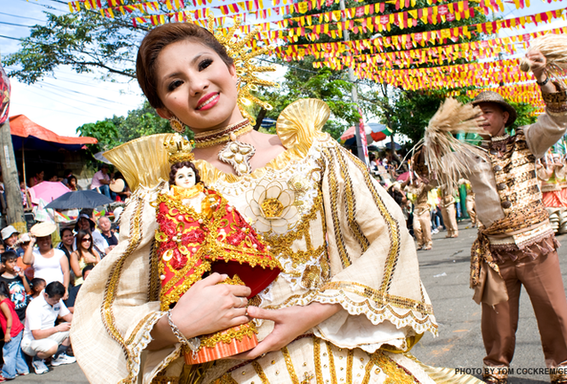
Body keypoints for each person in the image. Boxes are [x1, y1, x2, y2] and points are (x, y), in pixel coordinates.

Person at [70, 22, 480, 384]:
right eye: (174, 83)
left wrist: (313, 311)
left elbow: (388, 237)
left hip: (342, 357)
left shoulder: (314, 152)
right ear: (162, 108)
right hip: (226, 369)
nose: (197, 85)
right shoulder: (159, 193)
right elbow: (111, 310)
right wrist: (176, 324)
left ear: (231, 69)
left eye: (204, 65)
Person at [416, 51, 567, 384]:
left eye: (487, 112)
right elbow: (431, 172)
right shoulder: (468, 154)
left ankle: (563, 370)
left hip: (536, 245)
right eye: (476, 115)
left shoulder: (529, 140)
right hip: (496, 251)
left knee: (554, 312)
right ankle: (496, 370)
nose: (482, 118)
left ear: (505, 116)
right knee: (497, 320)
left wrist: (543, 78)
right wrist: (431, 140)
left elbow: (559, 118)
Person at [21, 281, 75, 375]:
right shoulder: (35, 306)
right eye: (55, 300)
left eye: (58, 300)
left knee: (73, 328)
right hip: (32, 341)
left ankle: (58, 357)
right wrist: (57, 329)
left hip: (49, 336)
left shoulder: (56, 300)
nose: (57, 302)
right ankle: (37, 360)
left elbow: (68, 317)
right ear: (46, 295)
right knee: (52, 346)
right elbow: (36, 334)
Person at [22, 223, 70, 299]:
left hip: (58, 291)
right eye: (41, 240)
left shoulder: (60, 253)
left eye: (47, 239)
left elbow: (66, 272)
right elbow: (26, 261)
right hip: (40, 293)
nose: (45, 242)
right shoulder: (34, 253)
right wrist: (31, 242)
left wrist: (65, 289)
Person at [0, 280, 29, 380]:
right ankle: (23, 369)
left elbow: (9, 318)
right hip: (18, 328)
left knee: (8, 352)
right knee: (16, 351)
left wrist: (7, 333)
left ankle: (8, 374)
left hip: (12, 331)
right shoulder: (7, 300)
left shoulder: (2, 304)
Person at [404, 176, 437, 250]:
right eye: (413, 179)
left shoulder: (424, 186)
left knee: (426, 228)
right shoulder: (412, 188)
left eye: (416, 179)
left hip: (424, 209)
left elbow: (433, 185)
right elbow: (402, 187)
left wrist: (428, 181)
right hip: (416, 210)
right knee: (416, 228)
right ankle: (420, 243)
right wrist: (407, 181)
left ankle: (428, 243)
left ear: (419, 179)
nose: (415, 181)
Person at [0, 251, 31, 322]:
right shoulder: (2, 280)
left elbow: (28, 290)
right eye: (10, 262)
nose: (14, 264)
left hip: (24, 312)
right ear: (4, 264)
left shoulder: (20, 276)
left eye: (15, 261)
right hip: (12, 315)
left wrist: (23, 278)